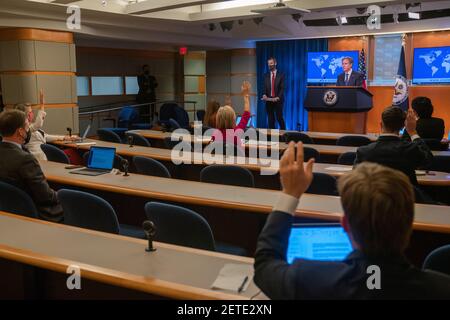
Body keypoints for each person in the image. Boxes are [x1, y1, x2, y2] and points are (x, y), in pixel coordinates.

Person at [254, 142, 450, 299]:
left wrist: (290, 192)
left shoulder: (309, 278)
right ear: (409, 223)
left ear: (345, 224)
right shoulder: (442, 288)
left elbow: (265, 264)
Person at [0, 110, 63, 222]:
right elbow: (46, 197)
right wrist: (64, 196)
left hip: (8, 210)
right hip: (37, 212)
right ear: (20, 132)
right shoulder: (25, 160)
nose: (29, 129)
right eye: (27, 126)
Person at [355, 106, 433, 187]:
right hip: (404, 196)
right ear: (403, 126)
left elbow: (356, 180)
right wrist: (413, 132)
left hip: (373, 197)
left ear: (381, 125)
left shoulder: (363, 151)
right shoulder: (410, 149)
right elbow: (428, 160)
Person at [14, 90, 78, 161]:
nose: (32, 113)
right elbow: (38, 124)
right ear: (27, 115)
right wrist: (42, 105)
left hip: (44, 156)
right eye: (31, 112)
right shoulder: (24, 129)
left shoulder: (31, 126)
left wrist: (65, 137)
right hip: (37, 158)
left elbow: (45, 136)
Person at [211, 81, 251, 147]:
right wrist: (246, 96)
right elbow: (246, 115)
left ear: (218, 119)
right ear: (233, 119)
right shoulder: (237, 132)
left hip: (220, 157)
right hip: (238, 157)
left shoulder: (215, 134)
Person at [262, 57, 286, 130]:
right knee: (270, 120)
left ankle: (284, 135)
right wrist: (264, 94)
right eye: (268, 64)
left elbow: (282, 88)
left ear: (275, 63)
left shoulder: (281, 75)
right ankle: (273, 138)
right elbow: (264, 88)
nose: (270, 65)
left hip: (278, 101)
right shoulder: (265, 75)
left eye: (271, 63)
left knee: (279, 118)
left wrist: (278, 97)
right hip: (269, 101)